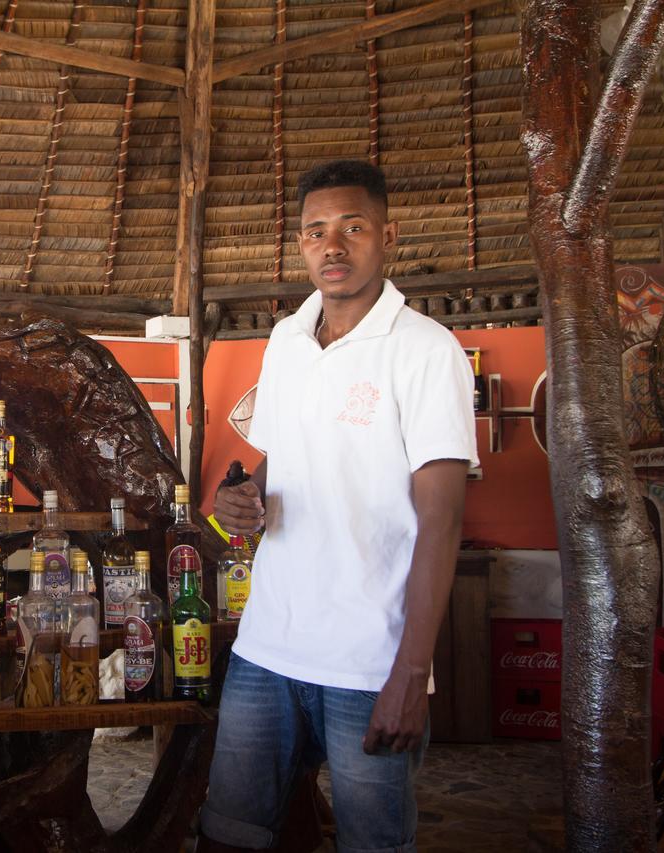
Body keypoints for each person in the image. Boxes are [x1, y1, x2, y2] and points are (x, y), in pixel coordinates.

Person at [200, 161, 478, 853]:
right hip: (267, 648)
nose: (333, 246)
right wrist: (242, 496)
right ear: (299, 243)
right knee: (229, 834)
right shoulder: (286, 342)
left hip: (369, 663)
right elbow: (280, 460)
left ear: (387, 235)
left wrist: (413, 673)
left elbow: (442, 520)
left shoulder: (427, 352)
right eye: (316, 232)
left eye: (352, 228)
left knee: (371, 843)